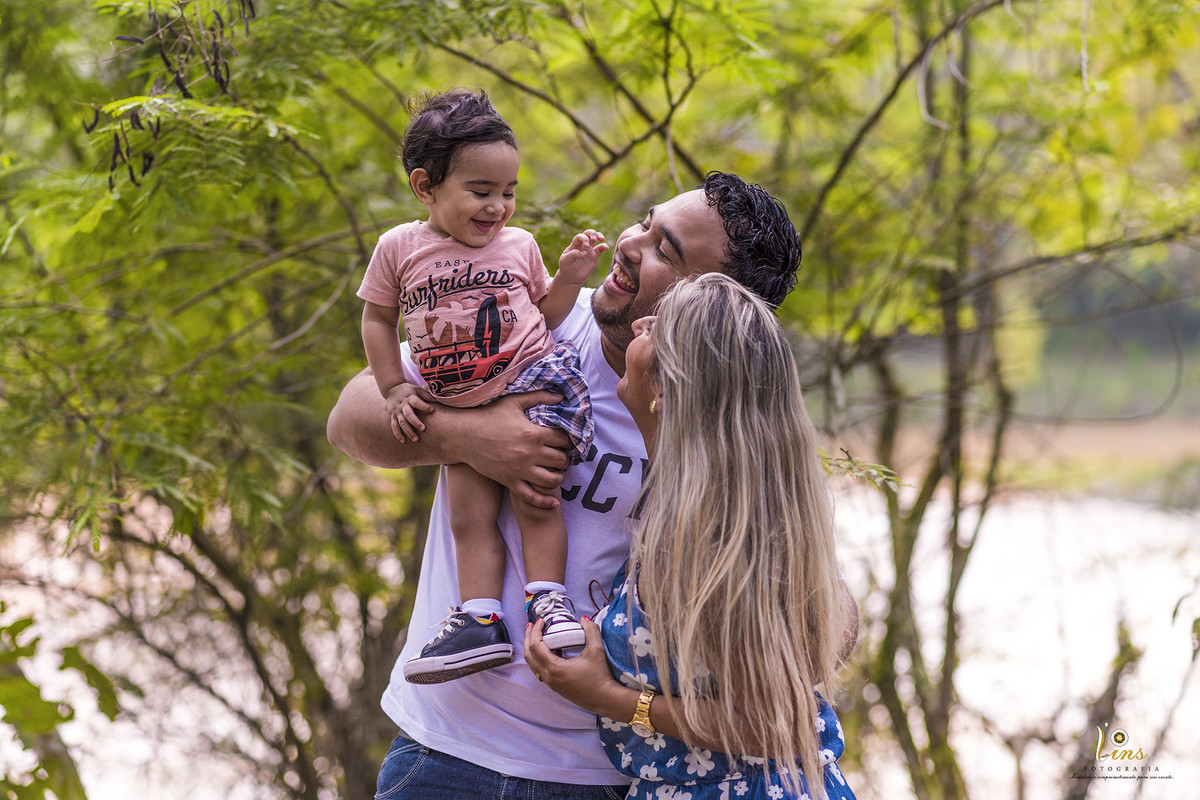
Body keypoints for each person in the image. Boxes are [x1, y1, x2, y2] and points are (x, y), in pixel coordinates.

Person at [327, 171, 858, 798]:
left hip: (609, 774)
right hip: (446, 753)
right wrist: (469, 436)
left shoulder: (732, 431)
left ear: (716, 305)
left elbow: (813, 611)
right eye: (646, 223)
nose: (631, 245)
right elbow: (351, 418)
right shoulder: (531, 324)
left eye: (667, 251)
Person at [525, 273, 856, 800]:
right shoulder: (746, 513)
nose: (640, 322)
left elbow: (772, 723)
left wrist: (608, 696)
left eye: (658, 327)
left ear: (663, 388)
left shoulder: (699, 535)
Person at [356, 88, 609, 683]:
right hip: (458, 404)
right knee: (467, 518)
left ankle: (549, 603)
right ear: (425, 186)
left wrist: (569, 276)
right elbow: (375, 319)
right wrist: (394, 388)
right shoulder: (399, 248)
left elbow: (544, 314)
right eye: (481, 191)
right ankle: (480, 619)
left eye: (509, 192)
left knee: (535, 496)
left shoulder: (518, 246)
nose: (499, 207)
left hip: (532, 380)